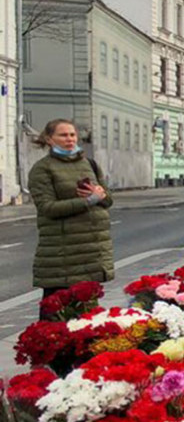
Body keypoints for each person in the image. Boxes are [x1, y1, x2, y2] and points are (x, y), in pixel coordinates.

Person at [28, 119, 113, 319]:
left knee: (88, 320)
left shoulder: (89, 163)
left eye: (72, 135)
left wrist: (100, 195)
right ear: (49, 139)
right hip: (62, 256)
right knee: (56, 319)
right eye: (63, 135)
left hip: (92, 253)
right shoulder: (43, 169)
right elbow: (47, 208)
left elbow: (107, 200)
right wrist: (88, 201)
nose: (69, 139)